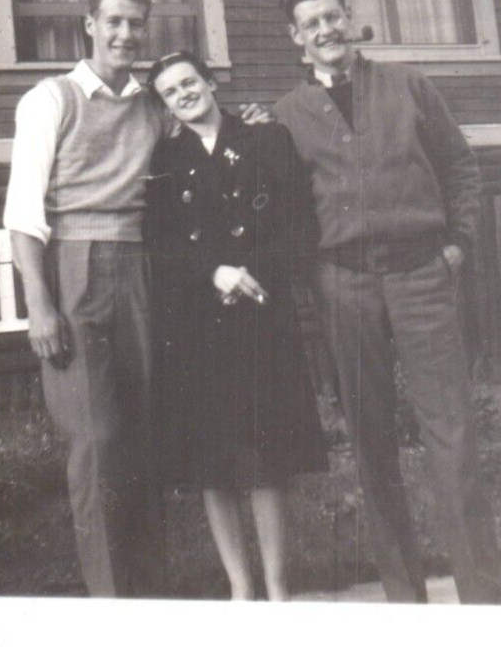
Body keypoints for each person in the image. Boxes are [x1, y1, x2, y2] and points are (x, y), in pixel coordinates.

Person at [272, 0, 501, 605]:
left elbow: (459, 165)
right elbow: (285, 207)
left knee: (452, 432)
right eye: (311, 24)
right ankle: (405, 600)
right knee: (371, 439)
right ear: (296, 38)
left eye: (333, 16)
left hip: (420, 274)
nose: (326, 30)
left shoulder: (407, 84)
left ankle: (487, 599)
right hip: (344, 283)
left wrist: (456, 242)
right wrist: (313, 277)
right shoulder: (287, 116)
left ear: (349, 17)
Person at [2, 0, 171, 598]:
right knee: (95, 441)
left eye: (136, 23)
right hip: (75, 270)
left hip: (141, 265)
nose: (125, 34)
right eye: (114, 21)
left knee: (142, 434)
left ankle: (152, 595)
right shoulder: (51, 98)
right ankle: (111, 601)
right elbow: (23, 213)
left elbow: (204, 137)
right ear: (90, 25)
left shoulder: (153, 105)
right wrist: (39, 306)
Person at [142, 50, 329, 601]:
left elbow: (298, 220)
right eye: (170, 92)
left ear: (211, 82)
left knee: (266, 458)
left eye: (189, 82)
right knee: (213, 463)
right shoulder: (165, 157)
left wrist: (252, 271)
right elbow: (162, 243)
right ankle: (241, 588)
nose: (183, 95)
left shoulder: (264, 138)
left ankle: (277, 586)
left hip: (262, 314)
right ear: (165, 106)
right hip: (198, 324)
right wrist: (214, 272)